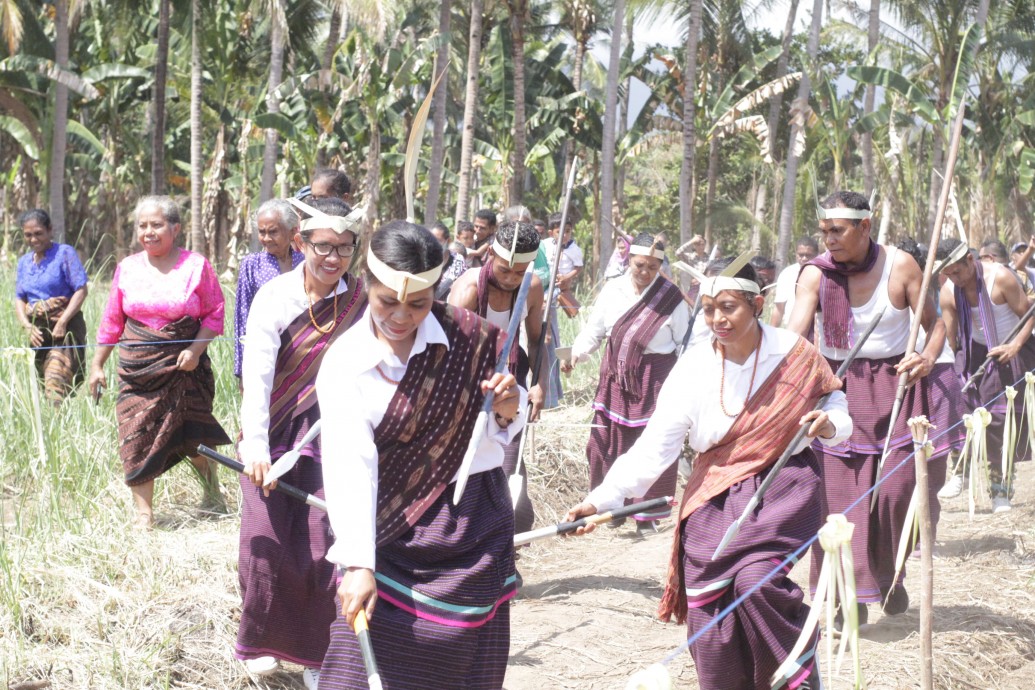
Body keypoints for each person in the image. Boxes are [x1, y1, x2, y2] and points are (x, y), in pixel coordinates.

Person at [565, 261, 850, 690]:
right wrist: (600, 500)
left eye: (730, 307)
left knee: (757, 581)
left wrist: (828, 425)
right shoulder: (693, 367)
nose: (718, 318)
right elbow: (654, 447)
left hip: (783, 490)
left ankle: (798, 679)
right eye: (709, 308)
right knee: (708, 607)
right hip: (713, 497)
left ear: (756, 304)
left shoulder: (794, 353)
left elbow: (835, 405)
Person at [316, 221, 526, 689]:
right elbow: (351, 466)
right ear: (366, 284)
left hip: (472, 526)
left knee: (464, 671)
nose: (401, 316)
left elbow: (500, 432)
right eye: (387, 300)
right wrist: (358, 563)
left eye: (418, 303)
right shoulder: (346, 363)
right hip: (385, 533)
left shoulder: (473, 340)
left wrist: (510, 408)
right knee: (356, 668)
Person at [787, 190, 945, 621]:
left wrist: (926, 359)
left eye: (837, 231)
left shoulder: (902, 266)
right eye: (823, 232)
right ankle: (842, 595)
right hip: (838, 389)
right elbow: (793, 337)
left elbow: (936, 325)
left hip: (899, 387)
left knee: (896, 494)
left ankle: (886, 574)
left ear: (865, 227)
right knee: (840, 502)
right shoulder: (815, 275)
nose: (828, 241)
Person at [234, 197, 367, 688]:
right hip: (274, 434)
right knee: (262, 546)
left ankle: (319, 655)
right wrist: (256, 447)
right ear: (300, 243)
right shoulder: (274, 297)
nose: (333, 259)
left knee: (322, 550)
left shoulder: (361, 303)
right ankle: (261, 643)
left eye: (345, 249)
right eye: (323, 247)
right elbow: (259, 377)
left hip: (337, 439)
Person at [88, 196, 230, 529]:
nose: (149, 232)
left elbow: (214, 313)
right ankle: (144, 515)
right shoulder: (127, 268)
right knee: (134, 435)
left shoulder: (196, 265)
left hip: (185, 368)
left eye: (157, 225)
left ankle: (212, 495)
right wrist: (96, 365)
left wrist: (195, 352)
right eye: (142, 226)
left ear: (175, 228)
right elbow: (112, 321)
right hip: (138, 369)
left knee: (193, 437)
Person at [562, 233, 689, 532]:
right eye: (639, 265)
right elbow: (593, 333)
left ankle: (646, 517)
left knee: (652, 445)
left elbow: (684, 344)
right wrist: (575, 355)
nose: (645, 272)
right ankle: (609, 507)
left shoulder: (671, 299)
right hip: (615, 378)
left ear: (660, 265)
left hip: (655, 380)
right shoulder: (612, 291)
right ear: (629, 259)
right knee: (601, 444)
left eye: (652, 267)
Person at [449, 219, 546, 535]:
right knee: (467, 478)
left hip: (510, 393)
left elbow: (535, 339)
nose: (511, 279)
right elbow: (447, 353)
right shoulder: (466, 290)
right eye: (505, 270)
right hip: (464, 389)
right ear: (490, 253)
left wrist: (538, 385)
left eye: (520, 272)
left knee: (508, 475)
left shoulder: (530, 288)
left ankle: (506, 558)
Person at [937, 238, 1035, 512]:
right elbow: (952, 338)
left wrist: (1015, 346)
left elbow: (1029, 315)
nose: (955, 278)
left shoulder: (1001, 277)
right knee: (958, 406)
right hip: (975, 350)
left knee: (999, 420)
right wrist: (949, 370)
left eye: (958, 271)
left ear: (971, 260)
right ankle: (959, 471)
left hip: (1011, 348)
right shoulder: (948, 291)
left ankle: (1000, 488)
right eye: (949, 274)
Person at [14, 208, 89, 404]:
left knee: (56, 383)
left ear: (49, 230)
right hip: (38, 334)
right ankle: (48, 431)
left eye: (38, 233)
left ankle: (59, 431)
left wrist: (63, 321)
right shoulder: (24, 263)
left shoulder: (64, 254)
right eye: (28, 235)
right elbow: (20, 298)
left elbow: (81, 290)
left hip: (64, 331)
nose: (33, 239)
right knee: (41, 386)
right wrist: (27, 327)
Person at [233, 199, 305, 379]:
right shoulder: (251, 265)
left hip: (303, 351)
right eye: (262, 232)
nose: (266, 238)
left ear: (292, 232)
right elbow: (242, 316)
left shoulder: (305, 262)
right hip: (264, 352)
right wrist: (242, 371)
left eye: (273, 232)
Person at [770, 236, 819, 328]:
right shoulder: (787, 274)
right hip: (791, 329)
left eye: (808, 255)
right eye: (801, 255)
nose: (804, 258)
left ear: (817, 255)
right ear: (796, 254)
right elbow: (779, 308)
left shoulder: (823, 274)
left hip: (816, 329)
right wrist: (771, 335)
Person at [542, 211, 584, 318]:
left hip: (560, 285)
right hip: (546, 282)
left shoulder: (574, 249)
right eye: (559, 232)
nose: (564, 235)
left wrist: (566, 277)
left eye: (567, 231)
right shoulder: (546, 244)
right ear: (551, 233)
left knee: (545, 304)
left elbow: (579, 267)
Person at [429, 221, 467, 300]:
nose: (433, 243)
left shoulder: (457, 259)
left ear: (448, 241)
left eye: (438, 240)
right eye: (430, 239)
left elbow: (449, 281)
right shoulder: (424, 258)